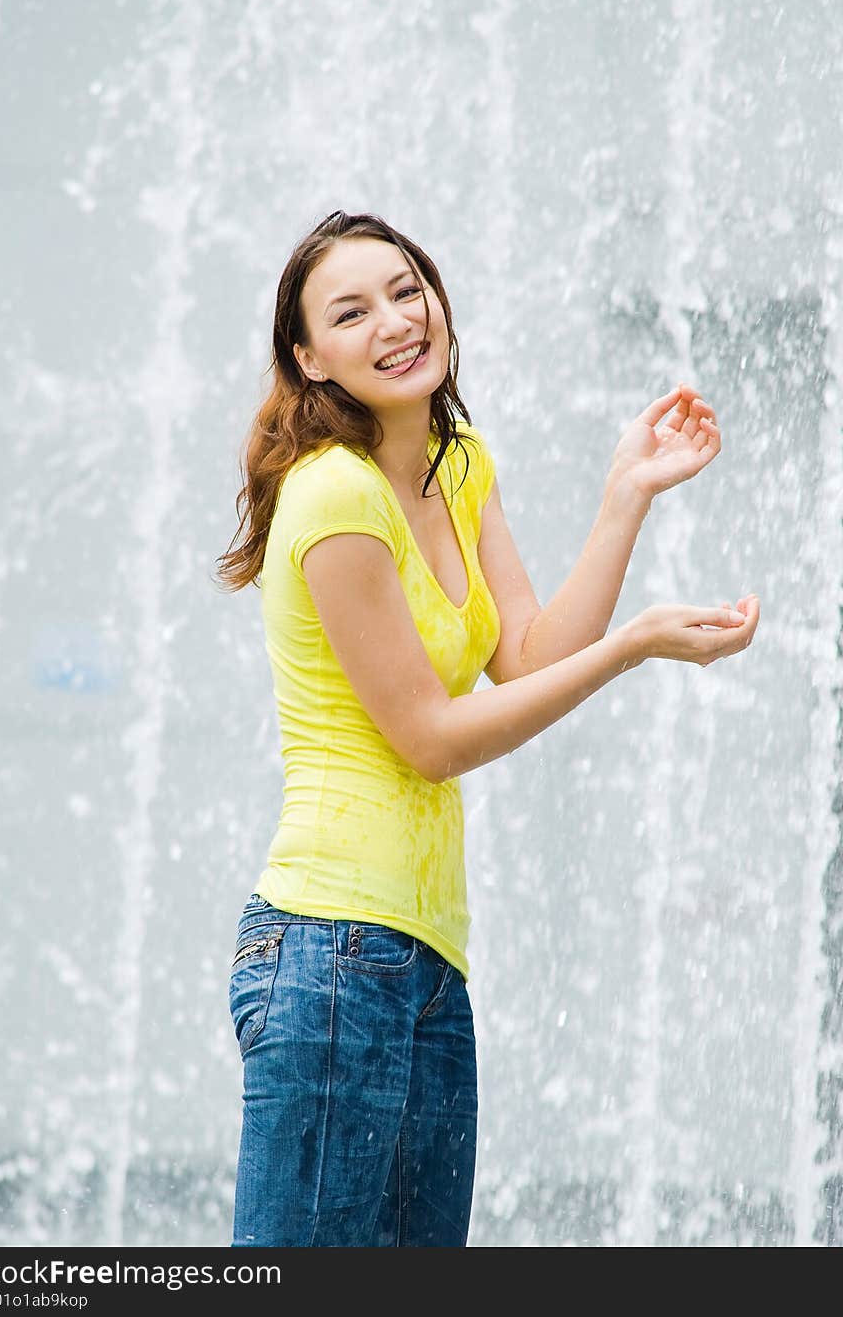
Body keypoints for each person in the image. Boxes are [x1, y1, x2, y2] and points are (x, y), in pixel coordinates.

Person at [214, 209, 760, 1248]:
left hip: (424, 957)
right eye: (351, 310)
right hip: (327, 951)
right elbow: (433, 737)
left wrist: (623, 499)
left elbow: (528, 658)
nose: (394, 320)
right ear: (308, 355)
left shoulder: (456, 465)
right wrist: (638, 643)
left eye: (406, 288)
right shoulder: (334, 496)